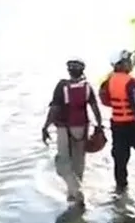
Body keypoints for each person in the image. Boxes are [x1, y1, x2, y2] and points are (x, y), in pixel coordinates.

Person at [41, 57, 104, 204]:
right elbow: (95, 108)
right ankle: (73, 196)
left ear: (68, 71)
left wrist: (45, 126)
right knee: (78, 162)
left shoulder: (61, 86)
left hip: (64, 128)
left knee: (62, 163)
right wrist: (99, 126)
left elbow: (55, 109)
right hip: (82, 127)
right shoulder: (87, 87)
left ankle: (76, 191)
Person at [99, 49, 135, 192]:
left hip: (117, 125)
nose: (130, 63)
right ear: (120, 64)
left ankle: (121, 188)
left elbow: (105, 101)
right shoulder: (131, 82)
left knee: (120, 158)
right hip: (132, 124)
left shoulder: (107, 81)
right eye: (127, 61)